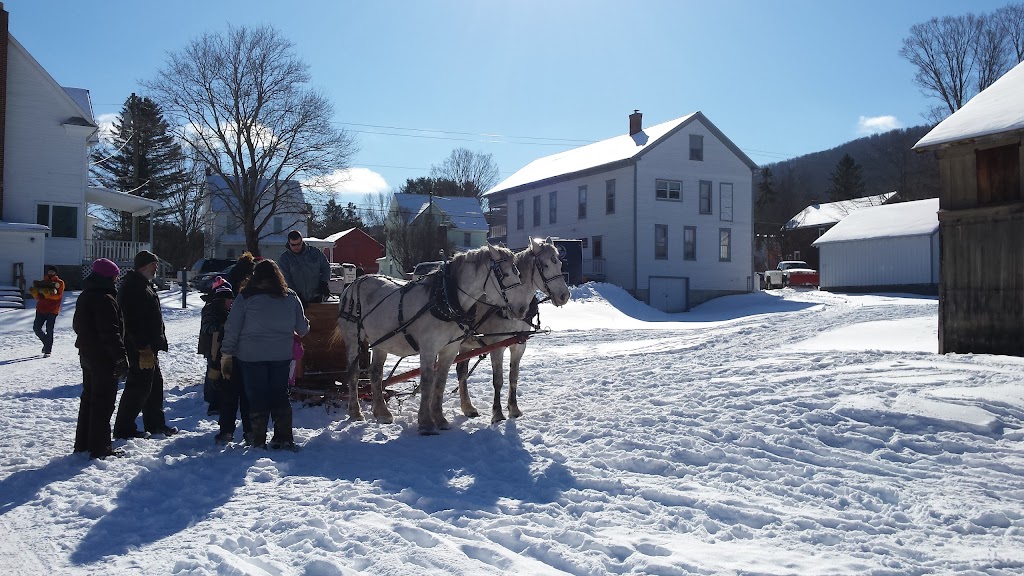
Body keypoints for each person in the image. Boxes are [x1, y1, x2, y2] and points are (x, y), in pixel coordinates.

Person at [221, 259, 309, 450]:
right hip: (281, 355)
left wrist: (226, 354)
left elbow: (232, 328)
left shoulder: (245, 297)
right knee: (280, 395)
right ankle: (284, 438)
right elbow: (302, 328)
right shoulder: (290, 296)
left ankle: (257, 438)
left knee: (256, 396)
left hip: (250, 356)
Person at [112, 250, 178, 439]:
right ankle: (124, 428)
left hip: (148, 346)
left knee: (154, 385)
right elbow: (131, 321)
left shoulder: (143, 284)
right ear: (143, 266)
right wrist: (143, 347)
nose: (156, 267)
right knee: (138, 387)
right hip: (139, 348)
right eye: (153, 264)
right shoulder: (133, 286)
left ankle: (155, 424)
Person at [73, 258, 129, 459]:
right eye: (115, 275)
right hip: (102, 358)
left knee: (88, 399)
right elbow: (110, 333)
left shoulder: (86, 295)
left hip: (87, 354)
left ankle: (83, 443)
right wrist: (120, 358)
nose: (117, 279)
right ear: (108, 276)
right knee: (103, 402)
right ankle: (100, 448)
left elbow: (77, 326)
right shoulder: (105, 298)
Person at [199, 276, 232, 416]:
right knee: (212, 372)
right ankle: (212, 401)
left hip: (221, 346)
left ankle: (218, 400)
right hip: (210, 346)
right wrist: (223, 327)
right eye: (229, 299)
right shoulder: (210, 309)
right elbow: (207, 327)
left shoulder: (227, 310)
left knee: (219, 372)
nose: (232, 302)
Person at [278, 230, 330, 305]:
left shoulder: (315, 253)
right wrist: (296, 295)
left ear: (302, 241)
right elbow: (285, 279)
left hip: (317, 297)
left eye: (298, 244)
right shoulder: (285, 259)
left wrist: (324, 283)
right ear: (289, 243)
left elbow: (326, 267)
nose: (296, 247)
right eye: (293, 245)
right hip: (296, 300)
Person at [29, 264, 66, 357]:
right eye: (49, 271)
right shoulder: (42, 282)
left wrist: (49, 295)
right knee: (36, 328)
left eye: (52, 271)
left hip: (52, 310)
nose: (50, 272)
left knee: (49, 329)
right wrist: (35, 294)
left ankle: (48, 350)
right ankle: (46, 342)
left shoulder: (59, 283)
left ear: (55, 272)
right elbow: (38, 297)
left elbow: (58, 296)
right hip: (41, 308)